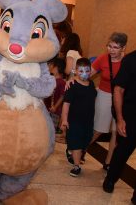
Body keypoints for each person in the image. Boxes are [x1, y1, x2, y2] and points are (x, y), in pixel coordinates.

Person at [90, 32, 127, 170]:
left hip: (122, 98)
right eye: (109, 46)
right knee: (99, 129)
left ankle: (108, 162)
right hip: (105, 95)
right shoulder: (102, 59)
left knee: (115, 132)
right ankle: (80, 149)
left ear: (123, 48)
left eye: (115, 47)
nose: (111, 50)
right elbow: (87, 74)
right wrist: (73, 79)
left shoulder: (127, 62)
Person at [103, 50, 136, 204]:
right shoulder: (131, 60)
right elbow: (118, 89)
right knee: (122, 151)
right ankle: (110, 179)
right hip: (131, 116)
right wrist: (120, 119)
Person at [61, 58, 97, 177]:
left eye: (87, 71)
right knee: (76, 143)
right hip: (74, 121)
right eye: (81, 71)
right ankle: (76, 166)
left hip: (88, 121)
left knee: (85, 140)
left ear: (90, 70)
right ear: (76, 71)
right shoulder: (72, 85)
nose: (84, 74)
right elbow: (66, 104)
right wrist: (64, 120)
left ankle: (72, 151)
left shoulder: (91, 84)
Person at [45, 57, 66, 134]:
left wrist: (55, 107)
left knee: (51, 130)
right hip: (47, 108)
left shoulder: (61, 82)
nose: (50, 67)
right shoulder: (51, 79)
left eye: (52, 65)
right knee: (45, 128)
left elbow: (63, 96)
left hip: (55, 111)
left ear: (58, 68)